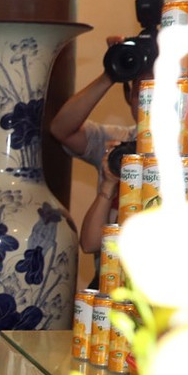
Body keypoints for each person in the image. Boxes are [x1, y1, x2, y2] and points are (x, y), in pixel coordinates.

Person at [49, 36, 139, 284]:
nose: (147, 100)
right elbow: (61, 129)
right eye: (139, 92)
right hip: (112, 283)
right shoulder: (120, 146)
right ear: (129, 96)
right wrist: (111, 72)